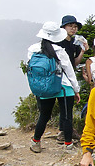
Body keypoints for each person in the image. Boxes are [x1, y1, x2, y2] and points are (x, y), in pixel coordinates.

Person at [27, 22, 80, 152]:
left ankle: (36, 142)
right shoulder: (59, 50)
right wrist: (76, 89)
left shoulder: (32, 50)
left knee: (44, 116)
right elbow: (69, 71)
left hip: (44, 87)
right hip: (63, 87)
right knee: (67, 116)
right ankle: (68, 145)